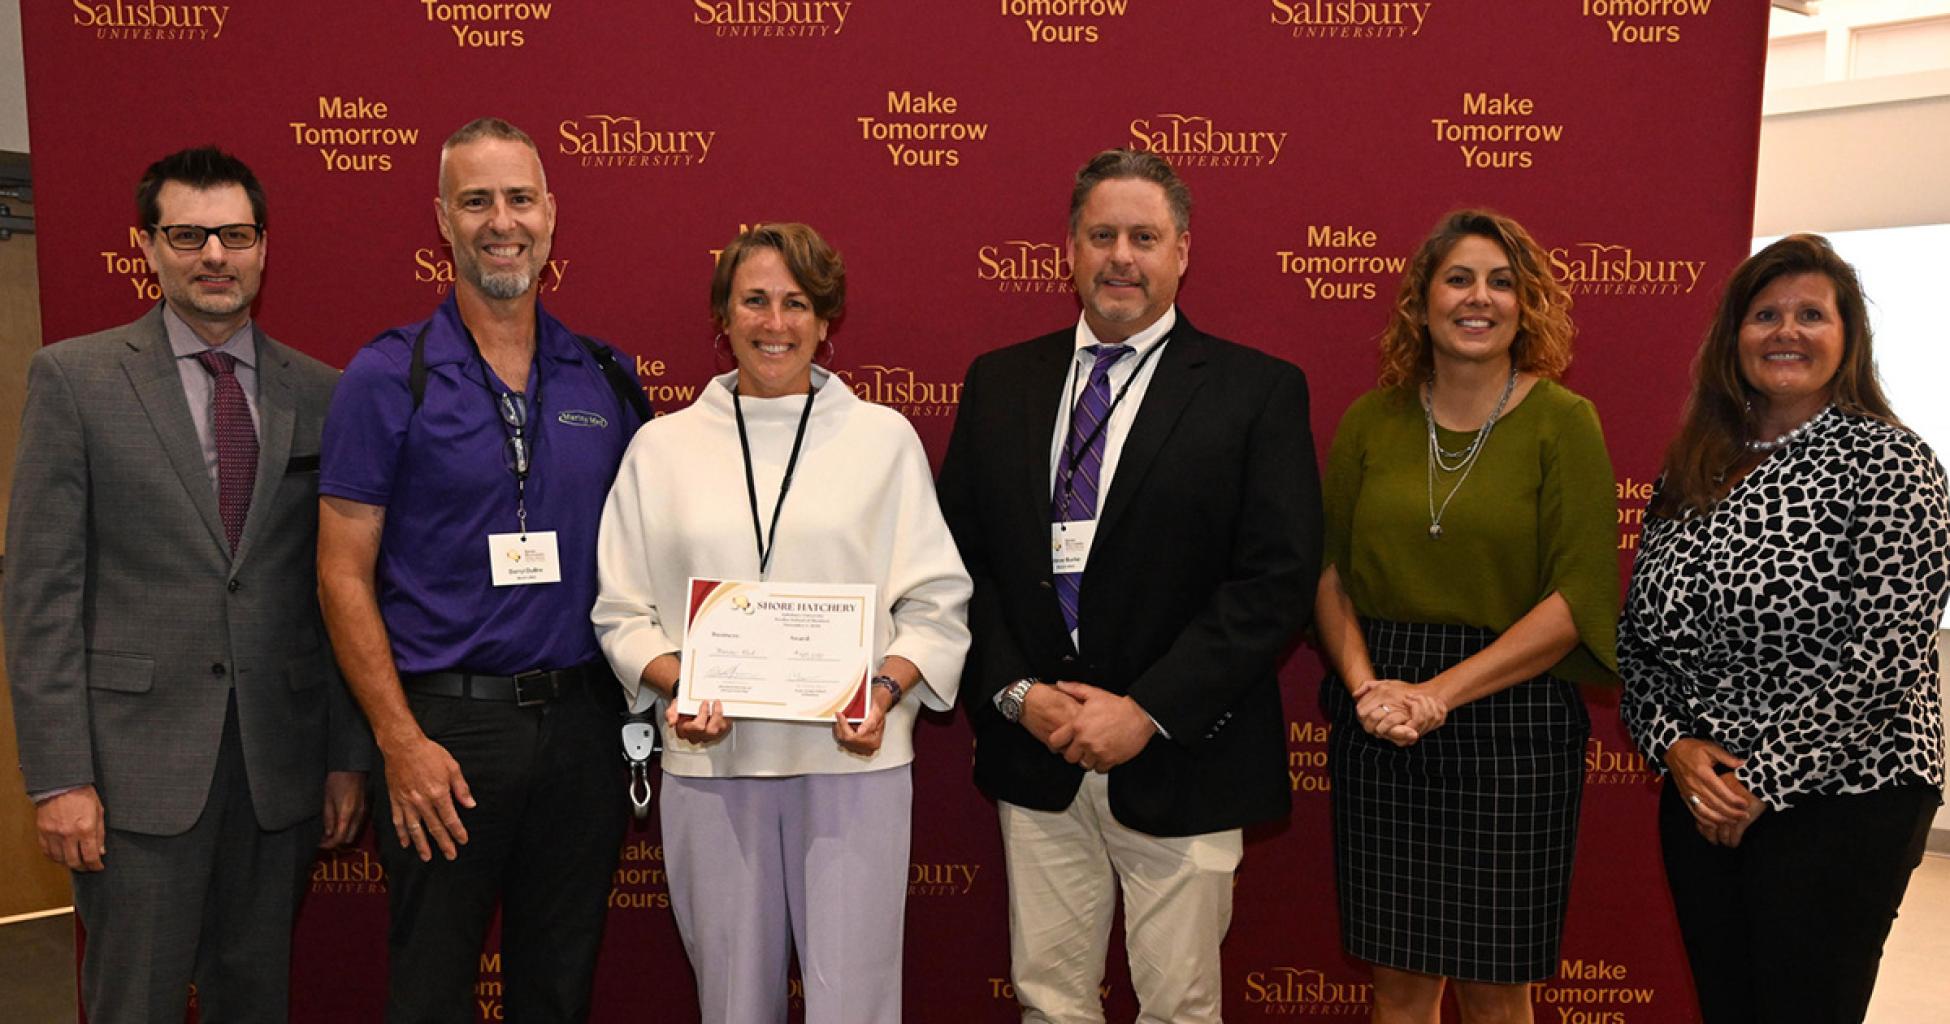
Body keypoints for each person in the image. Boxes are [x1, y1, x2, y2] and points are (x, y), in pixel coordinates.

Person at [937, 148, 1321, 1024]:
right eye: (1101, 234)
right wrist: (1015, 692)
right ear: (1067, 250)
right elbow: (961, 565)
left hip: (1187, 754)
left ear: (1183, 250)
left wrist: (1143, 711)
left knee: (1180, 1007)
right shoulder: (1001, 383)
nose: (1121, 256)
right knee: (1049, 1003)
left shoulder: (1256, 391)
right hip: (1037, 751)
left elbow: (1275, 583)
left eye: (1144, 237)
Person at [3, 146, 371, 1021]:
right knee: (134, 1002)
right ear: (148, 246)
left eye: (235, 234)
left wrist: (347, 755)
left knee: (257, 1001)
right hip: (131, 776)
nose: (215, 255)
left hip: (278, 770)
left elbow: (343, 589)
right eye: (189, 235)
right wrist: (59, 777)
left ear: (263, 247)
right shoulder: (76, 380)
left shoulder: (322, 394)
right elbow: (41, 595)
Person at [591, 222, 971, 1024]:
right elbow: (622, 612)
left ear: (826, 320)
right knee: (731, 1004)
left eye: (796, 303)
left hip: (853, 764)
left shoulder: (884, 440)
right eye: (754, 301)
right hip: (711, 757)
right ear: (721, 319)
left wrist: (883, 688)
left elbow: (936, 604)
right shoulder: (660, 449)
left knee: (856, 1005)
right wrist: (680, 682)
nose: (775, 323)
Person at [316, 117, 648, 1023]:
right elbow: (341, 575)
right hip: (443, 731)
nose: (502, 221)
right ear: (442, 220)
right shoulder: (388, 378)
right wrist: (397, 740)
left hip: (584, 728)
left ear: (551, 214)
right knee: (430, 987)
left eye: (519, 198)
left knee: (559, 983)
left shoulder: (607, 379)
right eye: (476, 201)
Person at [1619, 233, 1947, 1024]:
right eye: (1765, 314)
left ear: (1848, 337)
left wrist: (1761, 781)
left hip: (1846, 795)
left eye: (1811, 314)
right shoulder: (1696, 464)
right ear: (1734, 338)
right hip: (1701, 789)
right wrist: (1677, 746)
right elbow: (1637, 638)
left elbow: (1884, 652)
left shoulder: (1892, 463)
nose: (1787, 331)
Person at [1312, 209, 1617, 1024]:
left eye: (1502, 281)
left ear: (1528, 305)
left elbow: (1578, 597)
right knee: (1399, 986)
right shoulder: (1370, 422)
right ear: (1421, 303)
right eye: (1458, 278)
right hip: (1381, 717)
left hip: (1515, 721)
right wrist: (1370, 687)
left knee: (1494, 987)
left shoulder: (1565, 422)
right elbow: (1331, 574)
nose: (1479, 298)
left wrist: (1439, 693)